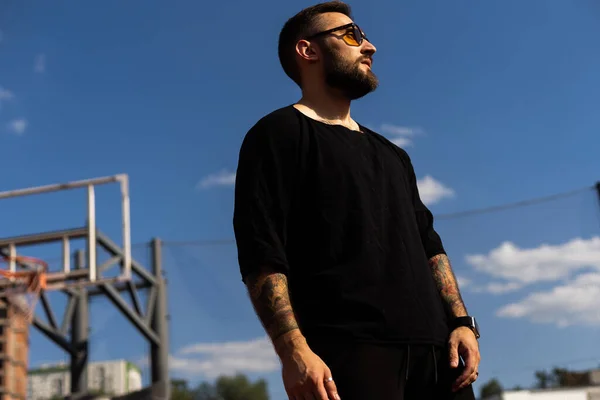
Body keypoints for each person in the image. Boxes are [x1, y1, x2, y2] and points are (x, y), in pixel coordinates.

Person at [233, 2, 481, 399]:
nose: (370, 47)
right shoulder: (277, 134)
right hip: (348, 354)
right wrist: (293, 351)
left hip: (440, 357)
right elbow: (262, 253)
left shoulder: (394, 154)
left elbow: (430, 246)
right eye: (351, 35)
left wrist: (462, 322)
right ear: (307, 50)